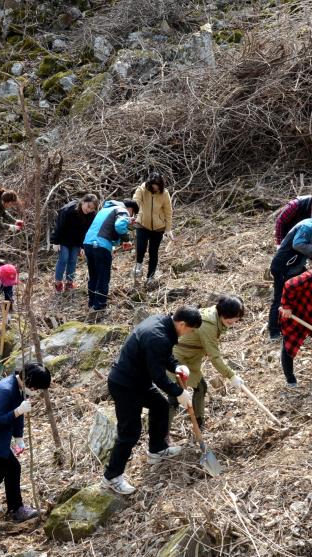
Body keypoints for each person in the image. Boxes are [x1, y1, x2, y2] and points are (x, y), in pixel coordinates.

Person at [102, 307, 202, 495]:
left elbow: (161, 357)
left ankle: (157, 449)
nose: (190, 333)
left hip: (138, 380)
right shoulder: (158, 336)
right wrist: (179, 392)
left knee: (161, 406)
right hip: (125, 384)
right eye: (191, 329)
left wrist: (176, 366)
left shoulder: (162, 324)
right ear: (182, 324)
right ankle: (111, 477)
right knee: (130, 431)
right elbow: (158, 375)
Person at [0, 362, 51, 526]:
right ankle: (16, 509)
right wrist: (18, 411)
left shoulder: (20, 388)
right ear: (28, 382)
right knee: (11, 468)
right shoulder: (5, 390)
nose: (35, 392)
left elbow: (19, 416)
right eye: (35, 388)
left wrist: (19, 438)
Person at [172, 296, 246, 430]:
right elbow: (215, 357)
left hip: (191, 358)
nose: (234, 322)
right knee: (174, 395)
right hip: (177, 358)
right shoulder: (209, 324)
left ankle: (199, 425)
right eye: (232, 318)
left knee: (201, 388)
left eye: (237, 319)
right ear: (224, 313)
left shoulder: (216, 316)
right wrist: (231, 375)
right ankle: (162, 437)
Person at [267, 211, 312, 340]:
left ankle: (294, 325)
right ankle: (274, 332)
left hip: (295, 266)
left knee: (301, 293)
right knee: (280, 298)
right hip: (283, 266)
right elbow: (298, 244)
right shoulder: (308, 227)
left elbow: (309, 253)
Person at [83, 200, 139, 312]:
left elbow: (108, 232)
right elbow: (119, 226)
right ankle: (99, 306)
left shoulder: (104, 210)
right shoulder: (122, 210)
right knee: (103, 276)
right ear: (130, 209)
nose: (130, 216)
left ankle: (92, 304)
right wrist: (126, 239)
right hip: (100, 245)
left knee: (94, 275)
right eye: (132, 213)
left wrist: (120, 240)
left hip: (88, 243)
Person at [50, 193, 99, 293]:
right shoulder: (68, 210)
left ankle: (69, 282)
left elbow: (87, 231)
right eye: (88, 206)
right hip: (63, 239)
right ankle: (58, 282)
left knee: (72, 260)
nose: (89, 210)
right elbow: (59, 226)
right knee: (63, 259)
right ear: (83, 201)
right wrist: (55, 241)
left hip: (76, 241)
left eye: (92, 209)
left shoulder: (91, 215)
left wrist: (83, 246)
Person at [132, 172, 174, 282]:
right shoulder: (142, 189)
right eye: (154, 184)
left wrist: (168, 229)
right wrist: (132, 213)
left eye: (158, 184)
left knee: (153, 252)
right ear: (149, 183)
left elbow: (168, 211)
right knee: (140, 248)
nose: (156, 187)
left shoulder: (164, 193)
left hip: (158, 227)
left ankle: (150, 277)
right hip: (142, 224)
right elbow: (136, 200)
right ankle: (138, 266)